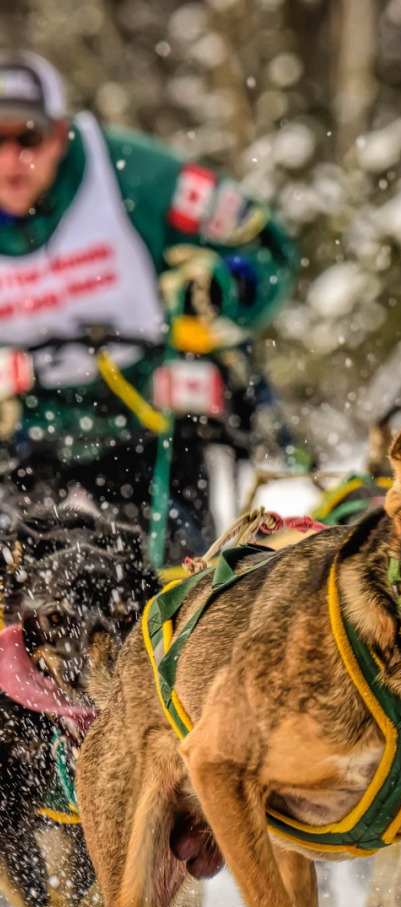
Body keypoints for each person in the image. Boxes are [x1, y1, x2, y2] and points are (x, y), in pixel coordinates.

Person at [0, 50, 299, 562]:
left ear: (60, 133)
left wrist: (220, 288)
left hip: (149, 431)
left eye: (27, 137)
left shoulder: (133, 175)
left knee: (174, 591)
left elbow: (263, 243)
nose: (9, 162)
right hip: (24, 438)